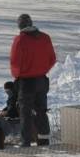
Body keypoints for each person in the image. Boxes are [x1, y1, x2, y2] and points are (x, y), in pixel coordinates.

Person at [10, 13, 57, 147]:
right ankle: (44, 140)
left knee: (25, 113)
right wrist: (42, 69)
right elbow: (52, 59)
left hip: (26, 82)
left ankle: (26, 142)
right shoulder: (45, 38)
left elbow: (15, 62)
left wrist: (18, 76)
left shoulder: (20, 40)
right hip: (42, 80)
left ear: (20, 26)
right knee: (41, 111)